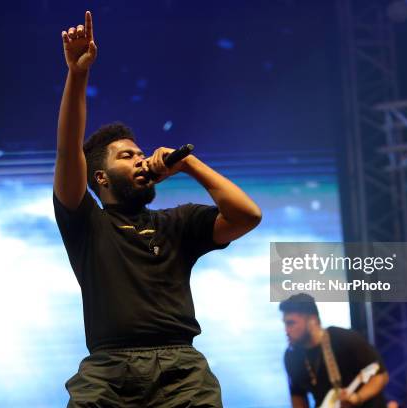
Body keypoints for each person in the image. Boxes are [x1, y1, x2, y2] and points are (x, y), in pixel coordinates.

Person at [54, 11, 262, 408]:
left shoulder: (177, 222)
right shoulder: (86, 223)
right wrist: (77, 74)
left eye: (141, 154)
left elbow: (246, 215)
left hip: (181, 371)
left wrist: (188, 165)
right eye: (126, 156)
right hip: (108, 372)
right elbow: (68, 150)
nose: (140, 159)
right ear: (99, 177)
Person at [280, 293, 389, 408]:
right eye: (285, 324)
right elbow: (297, 396)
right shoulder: (291, 356)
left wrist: (357, 398)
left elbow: (380, 376)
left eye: (291, 323)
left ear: (312, 320)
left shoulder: (343, 338)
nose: (286, 330)